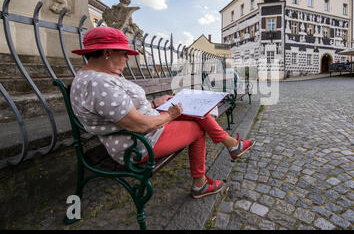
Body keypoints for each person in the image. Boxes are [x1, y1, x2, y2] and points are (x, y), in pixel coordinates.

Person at [70, 27, 255, 198]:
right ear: (107, 52)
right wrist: (169, 115)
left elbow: (124, 108)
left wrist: (154, 102)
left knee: (195, 110)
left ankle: (231, 146)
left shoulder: (101, 76)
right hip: (138, 143)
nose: (128, 58)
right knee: (197, 128)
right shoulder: (98, 83)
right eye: (125, 53)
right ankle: (201, 181)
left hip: (146, 128)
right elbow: (138, 125)